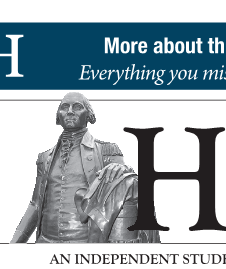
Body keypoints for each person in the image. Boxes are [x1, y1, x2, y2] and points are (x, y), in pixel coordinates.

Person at [11, 94, 156, 245]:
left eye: (78, 107)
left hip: (86, 245)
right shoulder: (44, 158)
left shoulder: (106, 150)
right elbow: (35, 204)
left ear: (89, 115)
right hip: (45, 243)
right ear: (58, 116)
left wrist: (123, 169)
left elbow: (124, 187)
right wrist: (13, 245)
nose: (70, 111)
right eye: (64, 107)